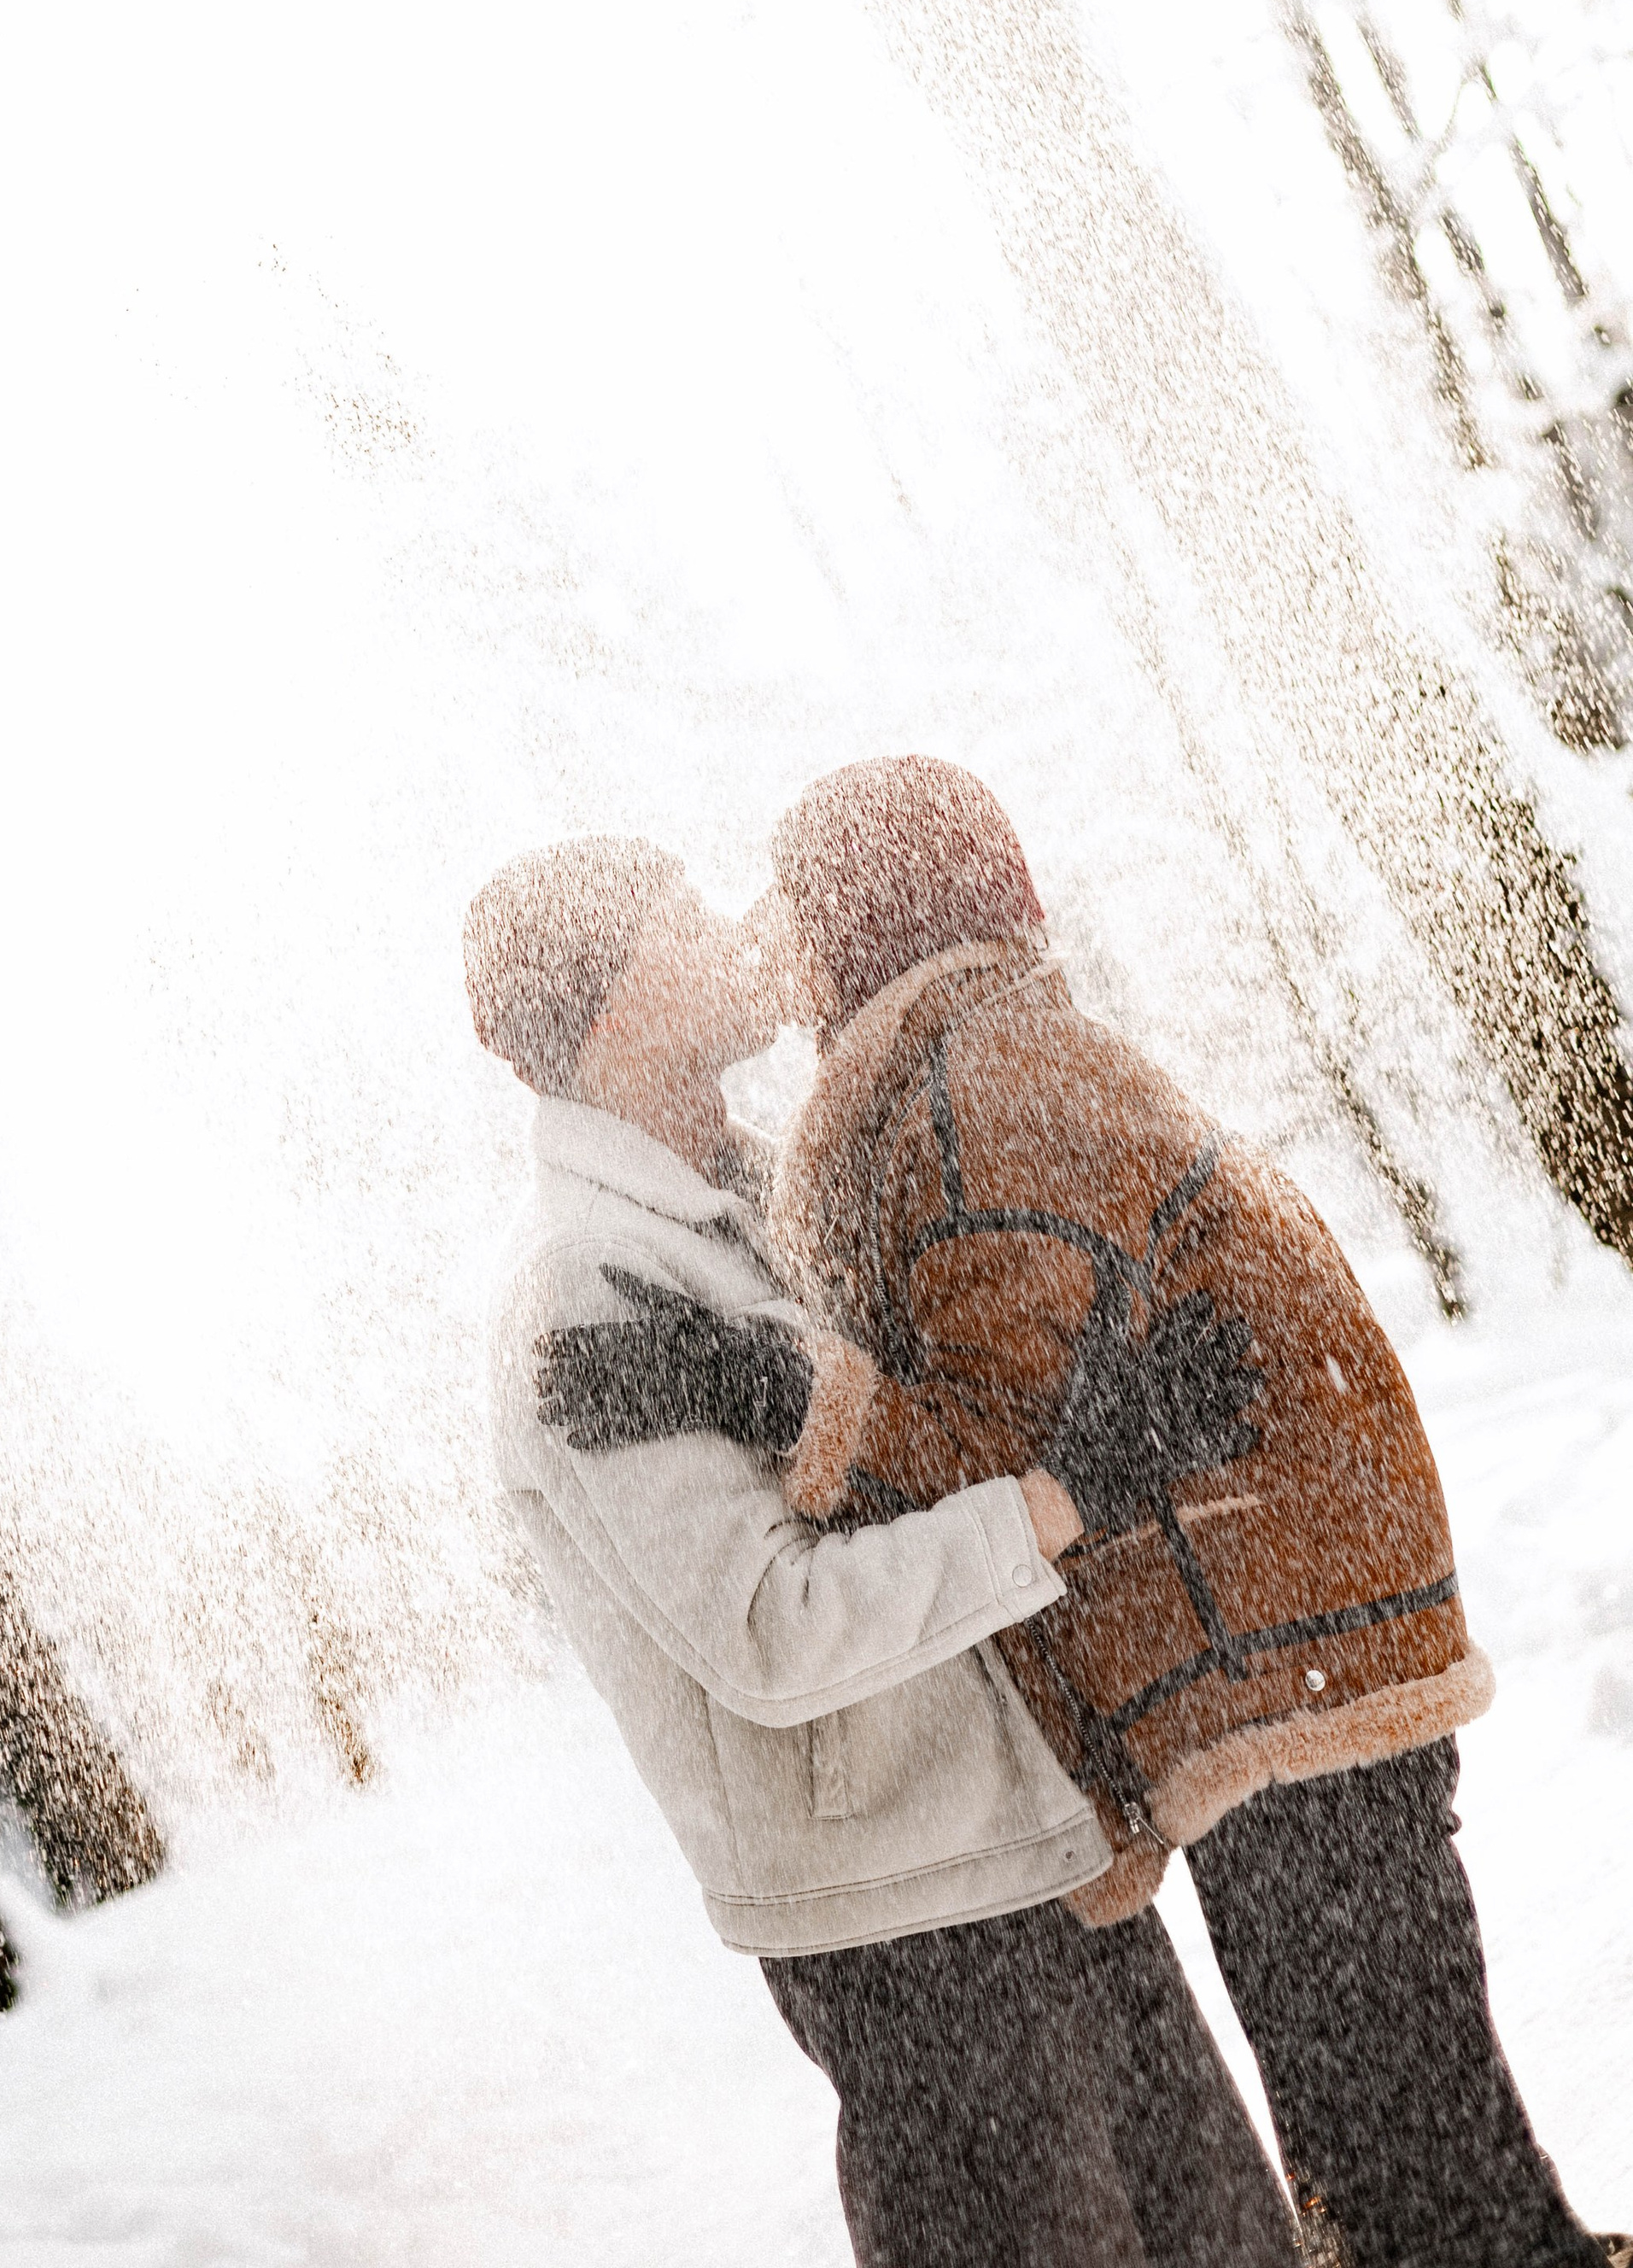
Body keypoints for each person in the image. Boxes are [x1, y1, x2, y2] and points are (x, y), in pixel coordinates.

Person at [541, 758, 1614, 2268]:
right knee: (1398, 2144)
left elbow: (1021, 1437)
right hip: (1273, 1635)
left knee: (1406, 2167)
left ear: (862, 914)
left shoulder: (970, 1094)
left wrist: (766, 1395)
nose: (761, 929)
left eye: (791, 895)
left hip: (1274, 1645)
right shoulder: (954, 1075)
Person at [469, 832, 1298, 2268]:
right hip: (902, 1923)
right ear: (613, 1013)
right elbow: (772, 1631)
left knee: (1228, 2239)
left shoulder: (769, 1192)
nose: (735, 922)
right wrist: (1054, 1501)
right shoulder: (584, 1293)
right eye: (685, 914)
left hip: (1026, 1830)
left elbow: (905, 1431)